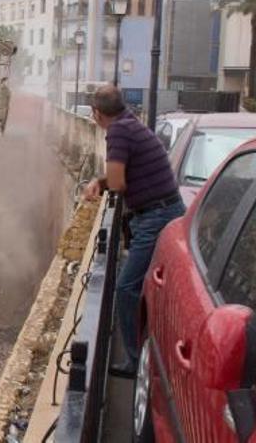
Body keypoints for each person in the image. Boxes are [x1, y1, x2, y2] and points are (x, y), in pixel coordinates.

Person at [83, 85, 185, 378]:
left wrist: (102, 183)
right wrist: (99, 182)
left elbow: (118, 184)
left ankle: (136, 361)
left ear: (97, 113)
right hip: (162, 211)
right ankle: (150, 352)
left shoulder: (118, 132)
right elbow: (116, 179)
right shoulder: (130, 123)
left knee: (126, 288)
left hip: (156, 216)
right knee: (153, 288)